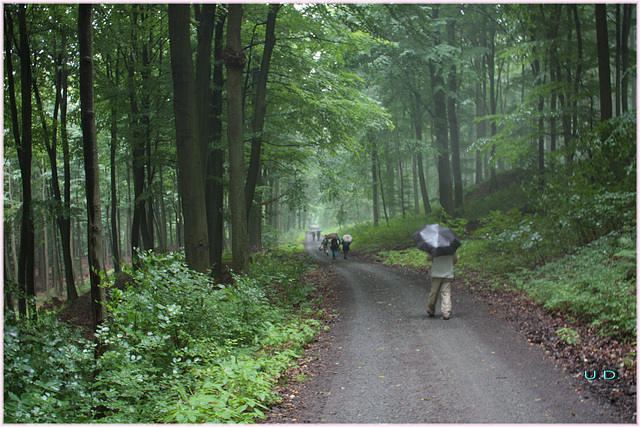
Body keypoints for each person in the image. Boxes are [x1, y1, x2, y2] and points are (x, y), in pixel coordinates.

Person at [427, 252, 459, 320]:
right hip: (448, 274)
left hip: (436, 273)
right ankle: (446, 312)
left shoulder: (434, 247)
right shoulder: (451, 248)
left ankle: (431, 309)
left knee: (434, 292)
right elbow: (455, 261)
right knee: (446, 293)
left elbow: (429, 259)